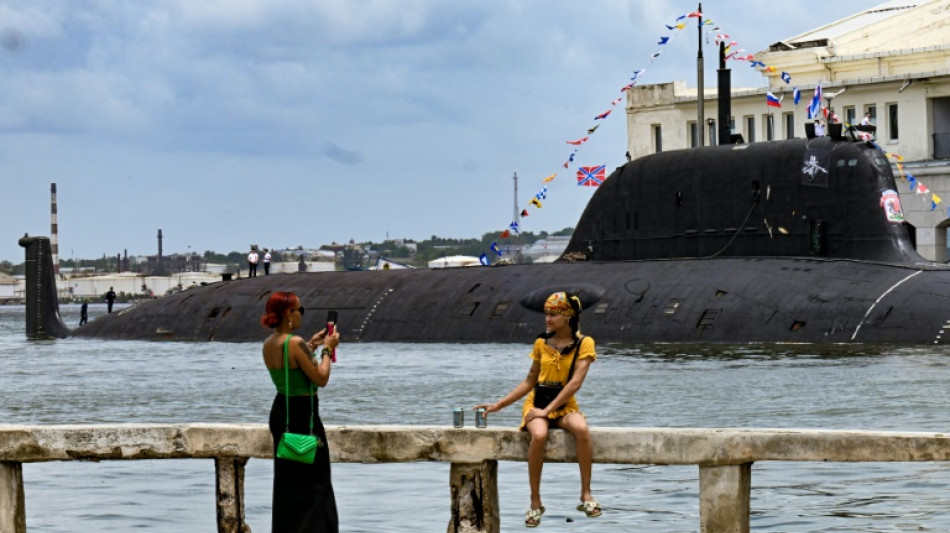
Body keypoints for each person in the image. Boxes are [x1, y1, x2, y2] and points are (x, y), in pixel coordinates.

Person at [475, 292, 599, 528]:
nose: (547, 319)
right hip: (537, 403)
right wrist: (499, 405)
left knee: (582, 429)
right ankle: (535, 501)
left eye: (553, 314)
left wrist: (550, 410)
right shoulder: (542, 343)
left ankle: (586, 494)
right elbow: (530, 381)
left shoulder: (584, 344)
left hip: (563, 404)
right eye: (547, 314)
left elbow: (574, 384)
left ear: (568, 316)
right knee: (539, 435)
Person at [261, 291, 340, 532]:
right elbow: (321, 378)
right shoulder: (294, 343)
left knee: (289, 485)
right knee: (316, 485)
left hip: (281, 413)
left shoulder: (270, 343)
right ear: (289, 314)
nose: (302, 314)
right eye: (300, 310)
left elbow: (292, 366)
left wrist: (314, 344)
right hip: (303, 416)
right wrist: (327, 349)